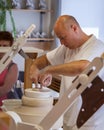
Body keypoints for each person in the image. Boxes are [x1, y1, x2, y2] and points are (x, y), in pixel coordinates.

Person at [29, 15, 104, 130]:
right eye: (59, 38)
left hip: (90, 123)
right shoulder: (67, 48)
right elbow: (44, 60)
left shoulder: (97, 46)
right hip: (68, 119)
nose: (61, 42)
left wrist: (49, 70)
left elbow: (84, 67)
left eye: (63, 37)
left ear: (74, 28)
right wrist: (34, 67)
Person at [0, 31, 19, 108]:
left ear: (10, 48)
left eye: (5, 46)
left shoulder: (12, 67)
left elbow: (4, 90)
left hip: (3, 109)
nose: (1, 49)